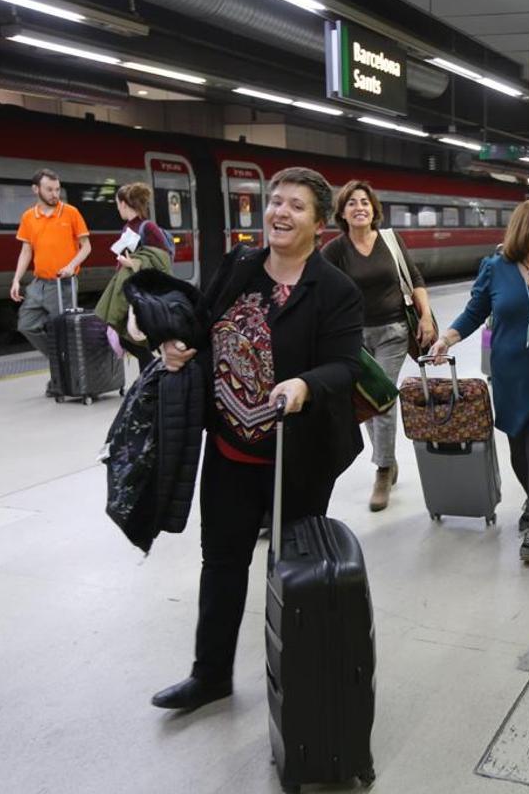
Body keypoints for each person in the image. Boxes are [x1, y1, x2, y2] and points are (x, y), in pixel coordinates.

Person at [150, 167, 364, 710]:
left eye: (295, 205)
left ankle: (302, 676)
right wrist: (174, 344)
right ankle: (210, 675)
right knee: (221, 562)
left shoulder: (335, 289)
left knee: (292, 569)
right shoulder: (241, 265)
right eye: (274, 202)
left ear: (320, 223)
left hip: (298, 456)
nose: (279, 213)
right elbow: (202, 324)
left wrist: (304, 384)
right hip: (230, 449)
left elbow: (343, 367)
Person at [428, 200, 529, 565]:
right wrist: (447, 338)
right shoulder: (496, 268)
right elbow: (475, 310)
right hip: (509, 377)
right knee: (518, 449)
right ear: (527, 229)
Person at [321, 180, 436, 512]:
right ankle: (387, 457)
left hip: (394, 331)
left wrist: (426, 317)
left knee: (383, 397)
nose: (360, 207)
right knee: (367, 401)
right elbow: (321, 289)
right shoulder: (335, 250)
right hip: (354, 339)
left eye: (365, 202)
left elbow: (414, 279)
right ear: (342, 212)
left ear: (374, 210)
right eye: (352, 203)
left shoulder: (390, 239)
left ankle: (383, 470)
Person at [9, 168, 91, 393]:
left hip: (63, 284)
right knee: (26, 325)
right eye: (50, 189)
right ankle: (59, 363)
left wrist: (71, 266)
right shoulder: (28, 217)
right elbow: (26, 250)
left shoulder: (71, 213)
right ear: (36, 189)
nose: (55, 194)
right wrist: (16, 280)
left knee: (63, 332)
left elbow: (86, 247)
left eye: (57, 189)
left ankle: (65, 378)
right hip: (38, 283)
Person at [113, 182, 173, 369]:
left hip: (145, 291)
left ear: (123, 203)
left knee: (135, 340)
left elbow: (162, 261)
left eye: (117, 204)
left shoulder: (148, 228)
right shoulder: (128, 227)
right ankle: (148, 381)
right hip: (131, 289)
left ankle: (150, 381)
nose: (118, 208)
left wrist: (133, 264)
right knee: (130, 339)